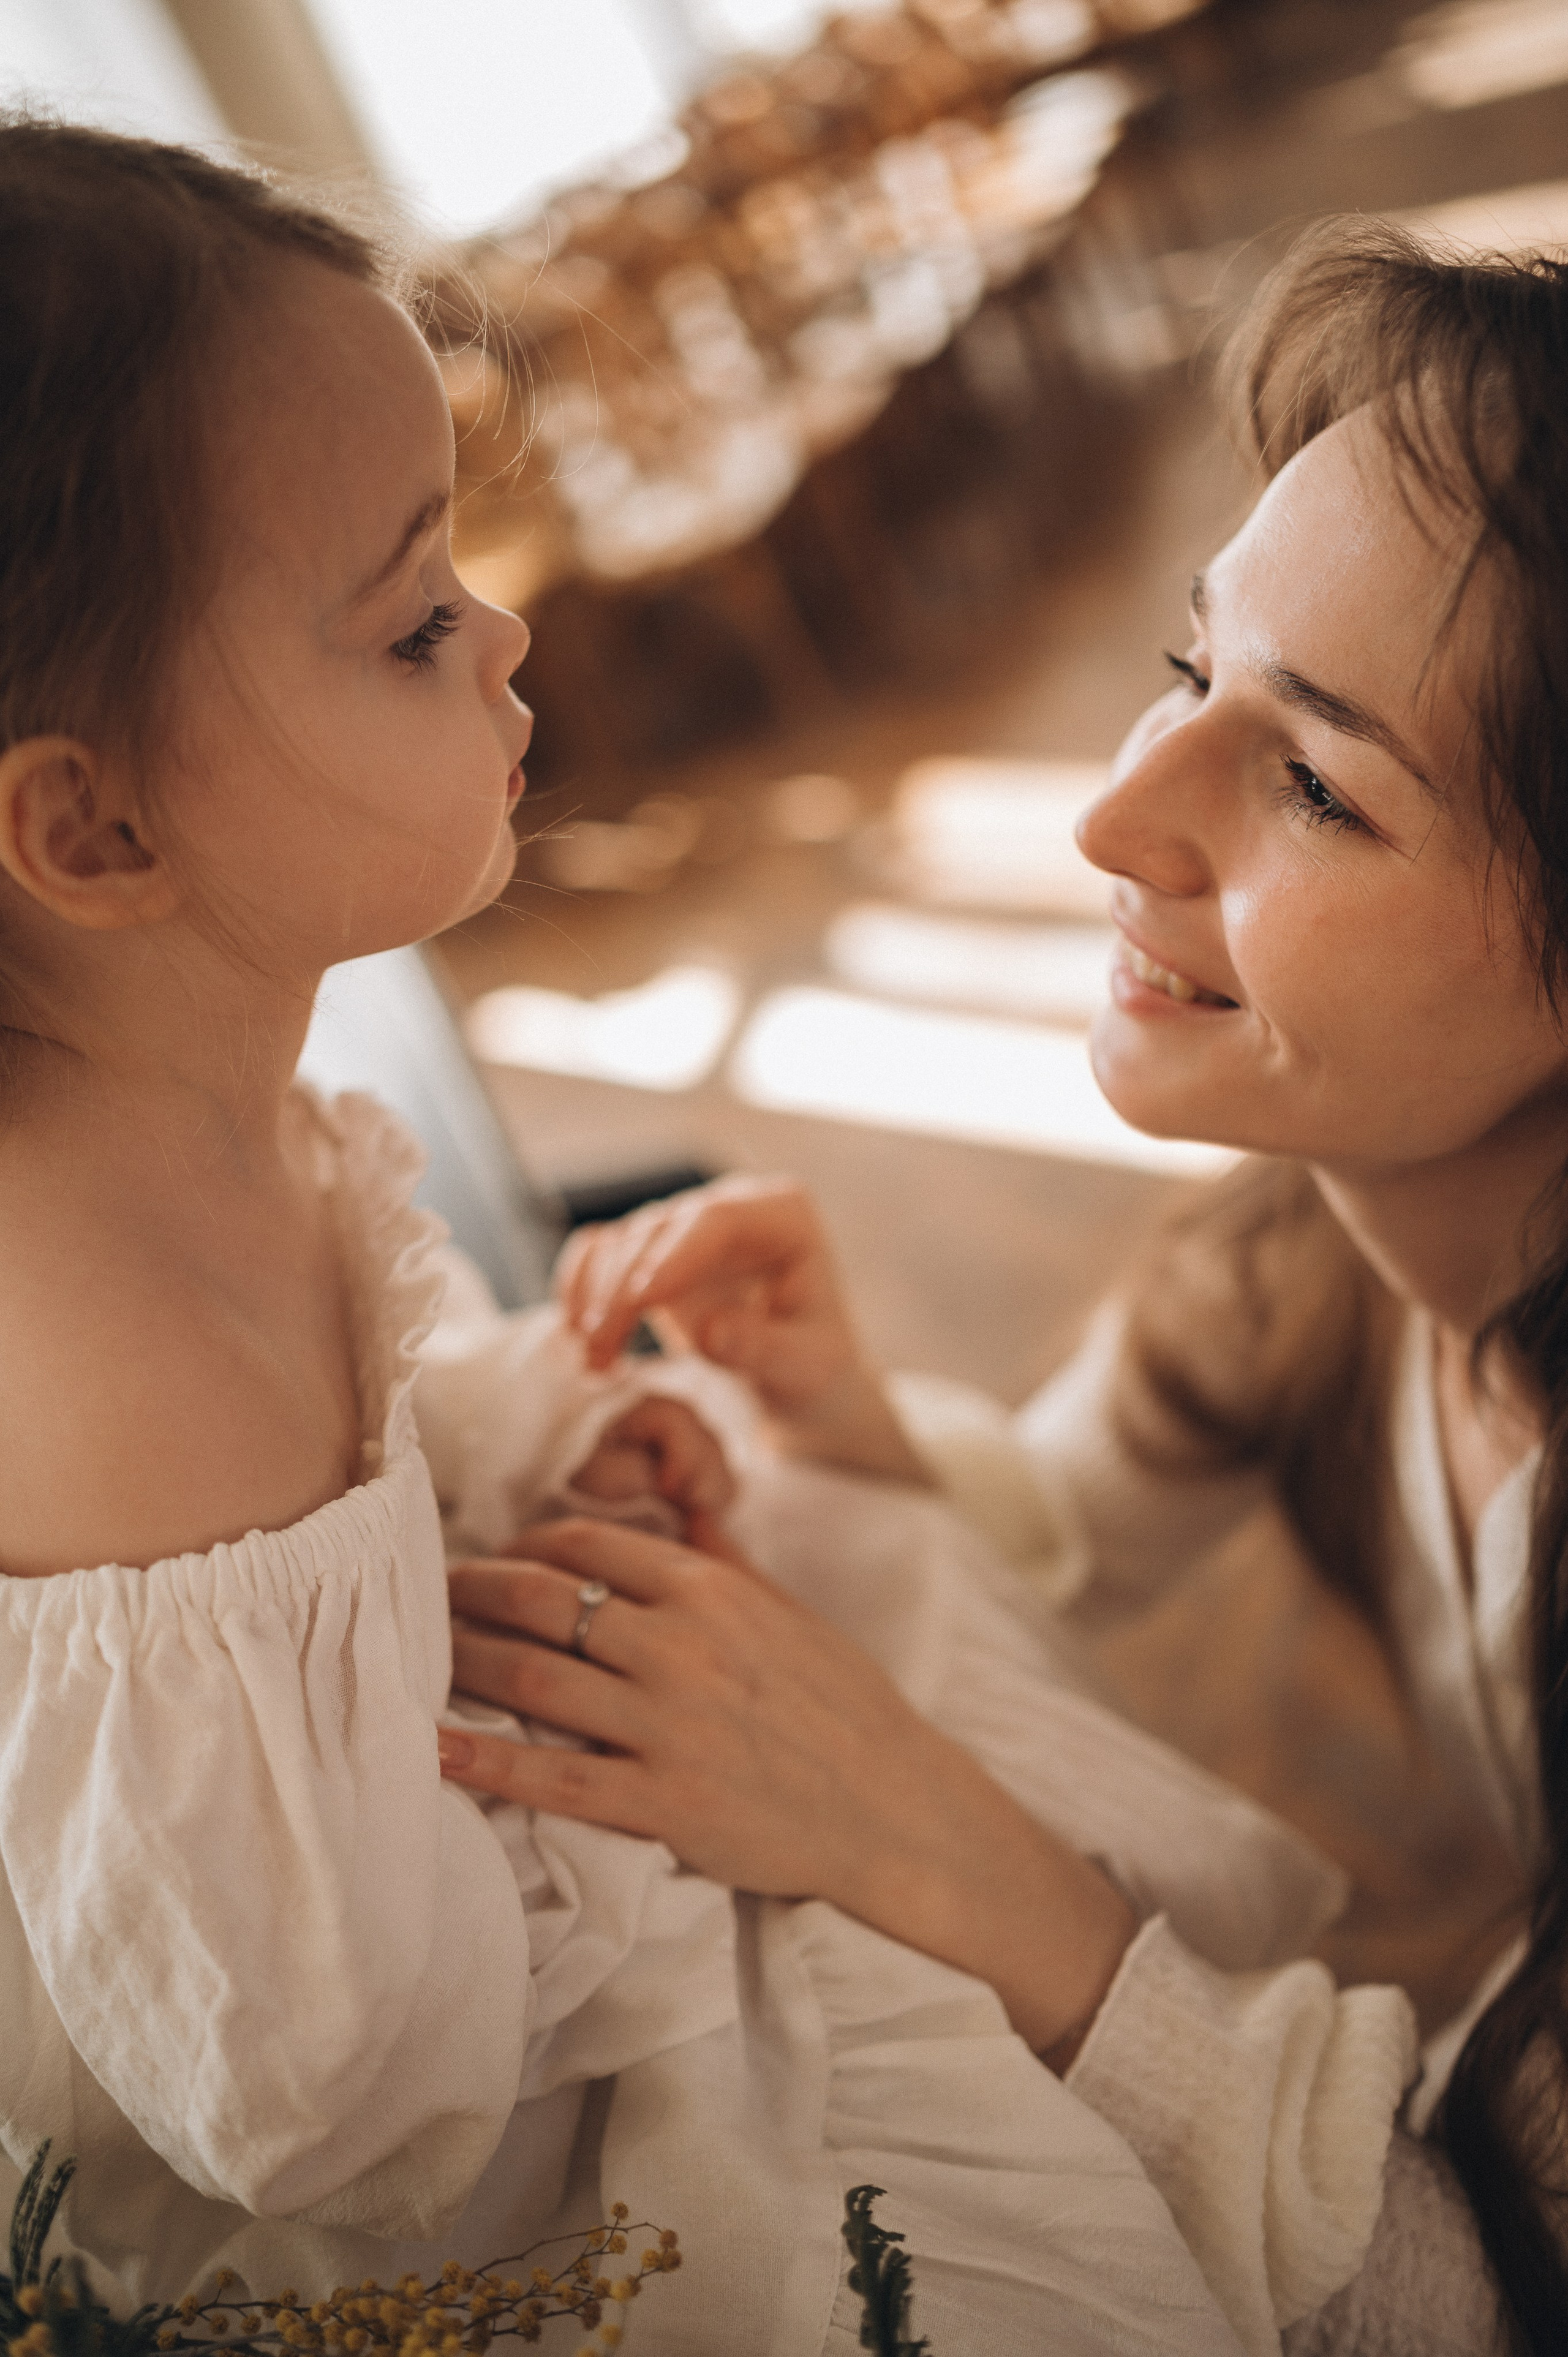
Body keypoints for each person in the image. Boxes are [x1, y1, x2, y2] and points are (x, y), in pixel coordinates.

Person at [0, 115, 1289, 2357]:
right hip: (430, 2118)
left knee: (931, 1693)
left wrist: (525, 1455)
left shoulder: (206, 1108)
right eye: (412, 619)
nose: (503, 625)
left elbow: (340, 1501)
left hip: (442, 1933)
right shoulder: (105, 1340)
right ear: (92, 823)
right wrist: (627, 1804)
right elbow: (323, 2086)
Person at [437, 227, 1568, 2356]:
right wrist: (844, 1432)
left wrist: (965, 1865)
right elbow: (1070, 1525)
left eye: (1318, 781)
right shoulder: (1303, 1253)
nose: (1117, 819)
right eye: (1187, 671)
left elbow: (1476, 2304)